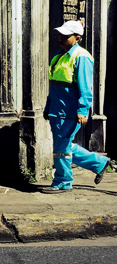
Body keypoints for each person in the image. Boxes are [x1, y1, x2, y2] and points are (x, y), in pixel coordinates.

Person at [42, 20, 110, 193]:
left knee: (62, 149)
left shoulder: (82, 57)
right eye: (61, 34)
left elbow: (85, 88)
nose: (61, 37)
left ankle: (63, 182)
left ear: (77, 38)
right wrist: (48, 106)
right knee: (65, 146)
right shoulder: (59, 55)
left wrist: (82, 110)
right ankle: (99, 162)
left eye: (66, 35)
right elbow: (55, 86)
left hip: (69, 112)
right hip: (57, 110)